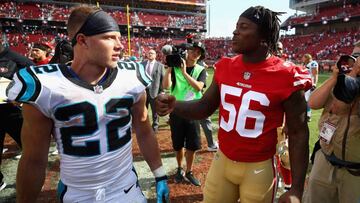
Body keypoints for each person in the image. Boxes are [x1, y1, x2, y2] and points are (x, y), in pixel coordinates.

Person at [7, 6, 169, 202]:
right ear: (82, 40)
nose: (120, 46)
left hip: (127, 190)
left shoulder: (132, 77)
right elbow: (34, 159)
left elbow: (143, 129)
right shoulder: (46, 86)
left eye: (119, 38)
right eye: (109, 37)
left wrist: (160, 174)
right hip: (78, 194)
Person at [157, 6, 311, 202]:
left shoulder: (287, 75)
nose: (235, 31)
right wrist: (174, 104)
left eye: (244, 27)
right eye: (237, 26)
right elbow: (204, 107)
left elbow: (299, 133)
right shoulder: (225, 67)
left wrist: (296, 189)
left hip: (259, 167)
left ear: (264, 35)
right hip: (223, 160)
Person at [303, 49, 360, 203]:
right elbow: (313, 103)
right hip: (325, 160)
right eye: (353, 57)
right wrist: (335, 78)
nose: (355, 61)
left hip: (355, 172)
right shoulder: (339, 82)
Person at [162, 41, 207, 186]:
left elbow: (198, 87)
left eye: (198, 52)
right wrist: (169, 68)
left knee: (192, 145)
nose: (195, 54)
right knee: (177, 143)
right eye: (193, 50)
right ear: (186, 51)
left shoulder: (201, 69)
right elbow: (166, 86)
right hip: (177, 109)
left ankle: (189, 171)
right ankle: (180, 168)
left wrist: (184, 73)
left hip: (193, 109)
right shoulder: (174, 68)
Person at [0, 34, 34, 191]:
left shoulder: (15, 58)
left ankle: (32, 180)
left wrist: (21, 97)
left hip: (12, 111)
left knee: (29, 147)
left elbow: (36, 75)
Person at [141, 49, 164, 132]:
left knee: (155, 111)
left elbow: (162, 79)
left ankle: (155, 127)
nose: (150, 54)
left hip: (155, 91)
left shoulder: (160, 65)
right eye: (149, 53)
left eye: (152, 53)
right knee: (143, 110)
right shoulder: (142, 64)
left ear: (155, 55)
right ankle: (144, 126)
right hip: (143, 91)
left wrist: (162, 91)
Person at [302, 53, 318, 121]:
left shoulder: (313, 63)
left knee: (307, 100)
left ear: (307, 58)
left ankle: (308, 115)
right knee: (304, 100)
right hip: (304, 83)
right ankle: (306, 115)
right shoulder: (304, 64)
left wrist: (314, 84)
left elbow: (315, 74)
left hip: (310, 84)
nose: (302, 59)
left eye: (303, 57)